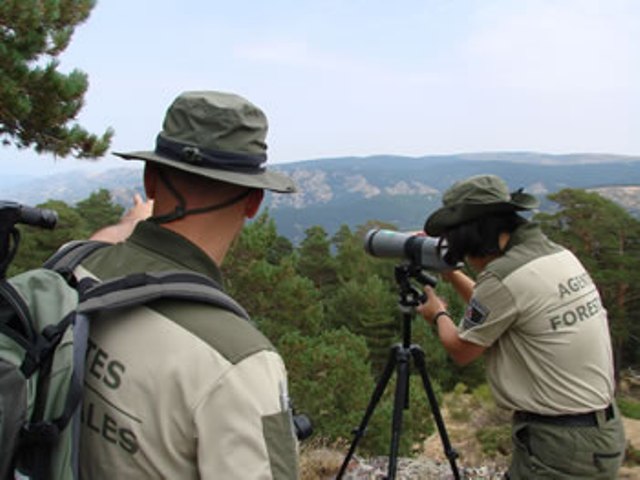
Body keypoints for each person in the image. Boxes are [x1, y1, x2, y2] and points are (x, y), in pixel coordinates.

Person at [77, 91, 299, 479]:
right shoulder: (239, 362)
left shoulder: (74, 269)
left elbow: (96, 244)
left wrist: (129, 226)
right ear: (254, 203)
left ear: (149, 180)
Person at [417, 174, 625, 479]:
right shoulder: (555, 255)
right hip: (596, 432)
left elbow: (462, 350)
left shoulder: (504, 276)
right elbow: (501, 307)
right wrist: (452, 273)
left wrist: (438, 314)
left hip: (561, 445)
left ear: (474, 235)